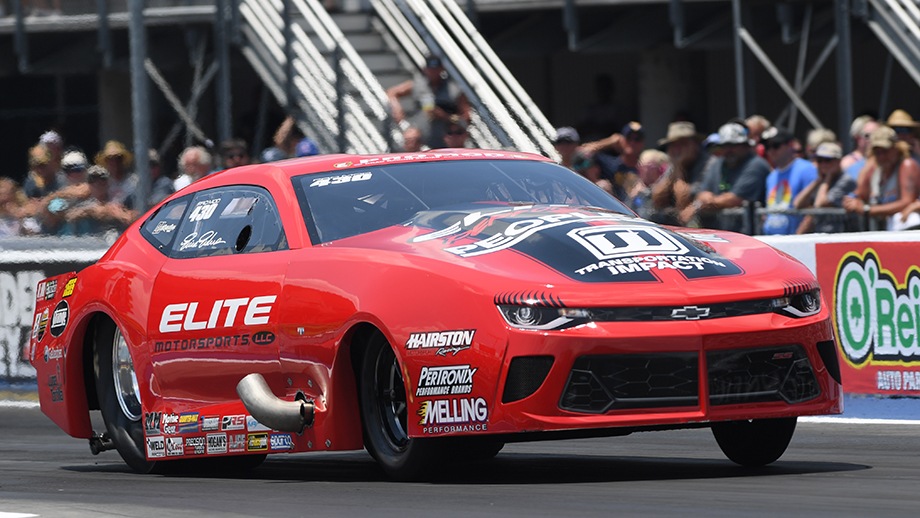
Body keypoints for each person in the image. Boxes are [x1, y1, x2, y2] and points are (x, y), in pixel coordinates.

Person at [681, 120, 771, 232]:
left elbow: (735, 199)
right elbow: (702, 193)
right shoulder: (717, 163)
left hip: (748, 235)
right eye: (724, 145)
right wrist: (704, 199)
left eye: (734, 145)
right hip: (721, 235)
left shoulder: (756, 164)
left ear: (746, 145)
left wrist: (706, 203)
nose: (728, 150)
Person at [843, 125, 920, 231]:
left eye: (885, 151)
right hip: (884, 227)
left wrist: (867, 210)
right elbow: (861, 194)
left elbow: (907, 202)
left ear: (896, 148)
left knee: (911, 219)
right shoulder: (875, 168)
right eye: (877, 152)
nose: (882, 156)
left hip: (904, 224)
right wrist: (851, 200)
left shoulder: (907, 165)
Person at [386, 55, 470, 150]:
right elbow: (392, 92)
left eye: (436, 69)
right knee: (411, 137)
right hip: (421, 134)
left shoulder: (454, 90)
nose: (433, 72)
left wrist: (445, 116)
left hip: (447, 135)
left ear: (442, 69)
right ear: (425, 69)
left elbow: (466, 117)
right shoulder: (418, 85)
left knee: (456, 137)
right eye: (430, 69)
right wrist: (396, 107)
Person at [650, 121, 710, 226]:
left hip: (703, 221)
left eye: (683, 144)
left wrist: (678, 169)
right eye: (673, 145)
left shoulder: (708, 164)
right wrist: (676, 167)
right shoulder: (674, 163)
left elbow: (684, 198)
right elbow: (657, 198)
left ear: (695, 145)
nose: (677, 149)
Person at [760, 126, 818, 235]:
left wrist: (796, 238)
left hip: (797, 241)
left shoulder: (807, 169)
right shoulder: (771, 176)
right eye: (767, 147)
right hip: (773, 241)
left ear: (790, 145)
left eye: (775, 146)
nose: (771, 151)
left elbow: (812, 210)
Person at [793, 142, 857, 233]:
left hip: (841, 235)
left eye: (827, 160)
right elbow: (797, 203)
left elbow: (820, 203)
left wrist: (827, 179)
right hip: (822, 234)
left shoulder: (846, 180)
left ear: (838, 161)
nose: (823, 164)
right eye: (819, 160)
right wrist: (818, 181)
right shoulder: (821, 181)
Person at [582, 121, 646, 203]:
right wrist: (609, 142)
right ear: (621, 140)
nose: (632, 142)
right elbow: (581, 153)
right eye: (628, 138)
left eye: (637, 139)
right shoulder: (610, 164)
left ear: (643, 143)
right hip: (615, 210)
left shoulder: (646, 167)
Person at [64, 165, 136, 236]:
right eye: (92, 180)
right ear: (88, 184)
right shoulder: (81, 203)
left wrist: (102, 211)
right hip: (87, 241)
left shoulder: (117, 200)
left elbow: (130, 219)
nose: (97, 184)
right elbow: (67, 215)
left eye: (102, 180)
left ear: (108, 183)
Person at [552, 126, 604, 192]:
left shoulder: (585, 161)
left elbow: (595, 182)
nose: (564, 146)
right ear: (555, 146)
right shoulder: (554, 167)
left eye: (568, 142)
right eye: (560, 142)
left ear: (576, 144)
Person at [94, 140, 137, 206]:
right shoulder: (102, 183)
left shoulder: (134, 181)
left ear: (122, 160)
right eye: (110, 159)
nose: (114, 162)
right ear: (106, 162)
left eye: (118, 158)